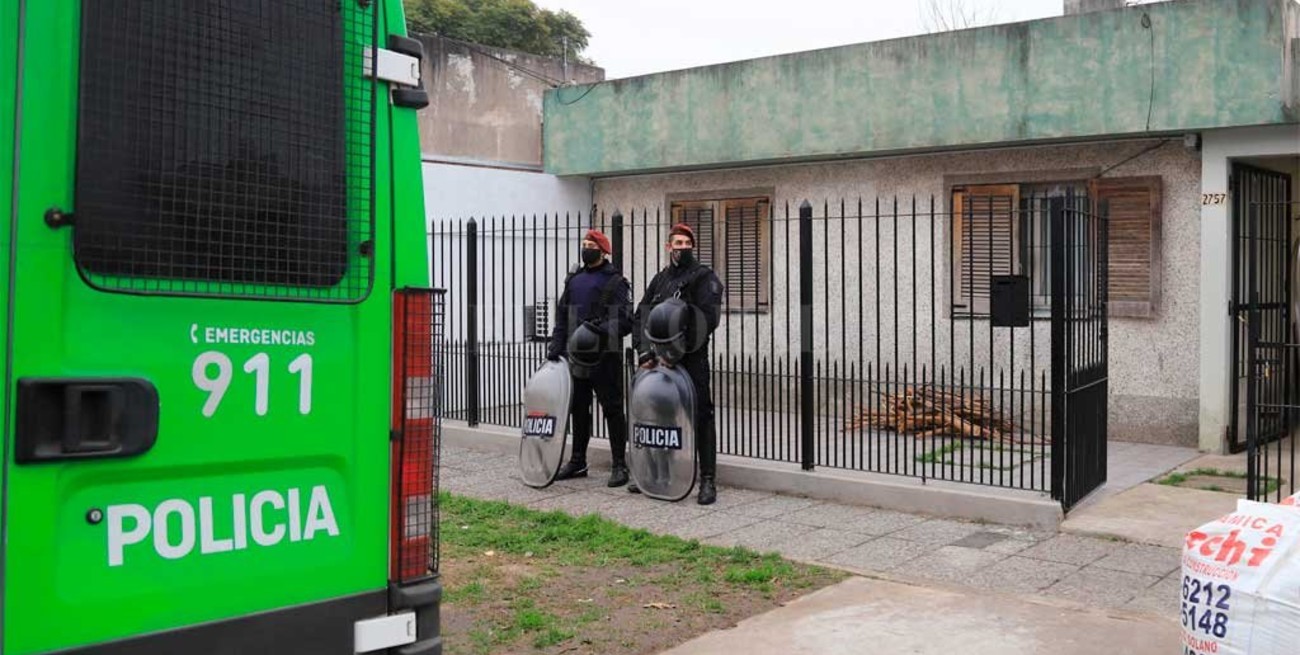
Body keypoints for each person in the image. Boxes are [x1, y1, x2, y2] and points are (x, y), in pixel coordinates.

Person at [631, 223, 724, 505]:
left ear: (692, 247)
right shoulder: (660, 280)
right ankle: (659, 474)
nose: (681, 247)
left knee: (701, 416)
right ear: (667, 246)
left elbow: (707, 320)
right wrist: (645, 351)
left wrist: (676, 353)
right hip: (657, 362)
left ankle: (707, 480)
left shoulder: (703, 277)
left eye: (686, 243)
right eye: (677, 243)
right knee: (660, 416)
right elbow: (642, 315)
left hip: (691, 359)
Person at [548, 229, 633, 486]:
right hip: (576, 356)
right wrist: (556, 344)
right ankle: (577, 461)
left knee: (613, 409)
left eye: (591, 245)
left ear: (603, 250)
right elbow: (563, 316)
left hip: (605, 355)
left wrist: (602, 329)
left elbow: (626, 320)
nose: (586, 248)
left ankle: (619, 465)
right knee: (578, 409)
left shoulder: (616, 281)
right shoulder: (574, 280)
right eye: (584, 244)